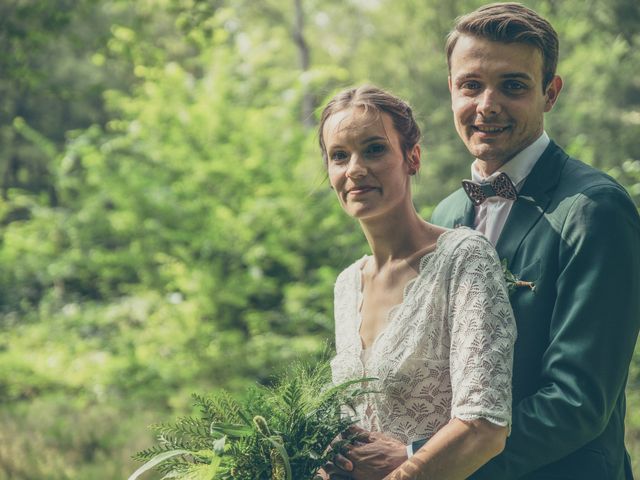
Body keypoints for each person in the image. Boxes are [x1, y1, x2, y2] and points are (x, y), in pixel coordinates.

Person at [331, 3, 640, 479]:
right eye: (470, 85)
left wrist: (420, 454)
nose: (487, 105)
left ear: (550, 93)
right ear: (451, 91)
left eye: (512, 86)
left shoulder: (594, 209)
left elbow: (578, 400)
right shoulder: (448, 213)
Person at [317, 85, 517, 480]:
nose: (355, 169)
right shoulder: (346, 285)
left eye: (374, 149)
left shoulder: (463, 258)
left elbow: (485, 427)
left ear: (412, 158)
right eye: (340, 156)